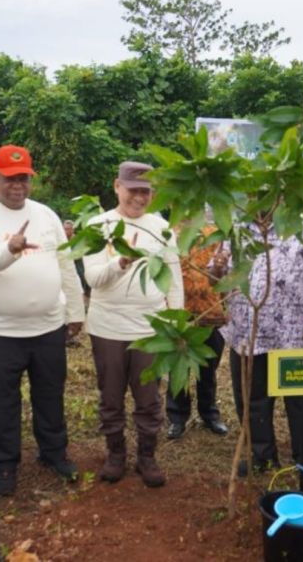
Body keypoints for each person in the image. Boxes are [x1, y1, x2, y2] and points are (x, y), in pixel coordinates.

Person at [0, 144, 85, 497]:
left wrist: (75, 311)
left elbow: (65, 264)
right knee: (0, 400)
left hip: (47, 326)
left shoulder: (45, 215)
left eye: (24, 178)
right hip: (0, 331)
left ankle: (53, 452)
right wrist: (8, 251)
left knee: (50, 394)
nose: (17, 185)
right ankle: (4, 462)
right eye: (10, 178)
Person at [83, 161, 183, 487]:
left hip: (149, 329)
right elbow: (93, 278)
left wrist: (176, 323)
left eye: (145, 192)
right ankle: (115, 454)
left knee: (149, 398)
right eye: (133, 191)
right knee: (110, 396)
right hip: (108, 327)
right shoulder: (99, 226)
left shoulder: (161, 228)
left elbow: (173, 280)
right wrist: (120, 262)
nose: (139, 198)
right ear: (116, 186)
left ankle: (147, 456)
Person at [213, 223, 303, 473]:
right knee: (252, 400)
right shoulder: (234, 230)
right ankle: (263, 457)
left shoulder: (302, 225)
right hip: (248, 335)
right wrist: (216, 267)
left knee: (301, 400)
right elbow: (215, 278)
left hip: (293, 335)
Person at [165, 222, 229, 440]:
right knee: (178, 369)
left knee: (208, 369)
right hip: (179, 313)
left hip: (210, 311)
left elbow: (223, 271)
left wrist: (225, 305)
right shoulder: (166, 233)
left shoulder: (213, 233)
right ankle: (177, 417)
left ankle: (209, 413)